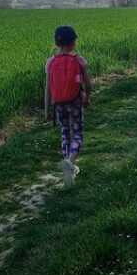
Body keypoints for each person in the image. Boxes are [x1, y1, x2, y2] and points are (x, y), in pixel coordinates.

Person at [44, 25, 92, 186]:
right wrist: (88, 97)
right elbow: (88, 83)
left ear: (56, 43)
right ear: (73, 43)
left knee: (65, 132)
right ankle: (70, 162)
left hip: (59, 104)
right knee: (77, 133)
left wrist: (47, 110)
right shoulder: (79, 60)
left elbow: (48, 88)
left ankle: (67, 162)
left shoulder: (50, 62)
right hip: (75, 101)